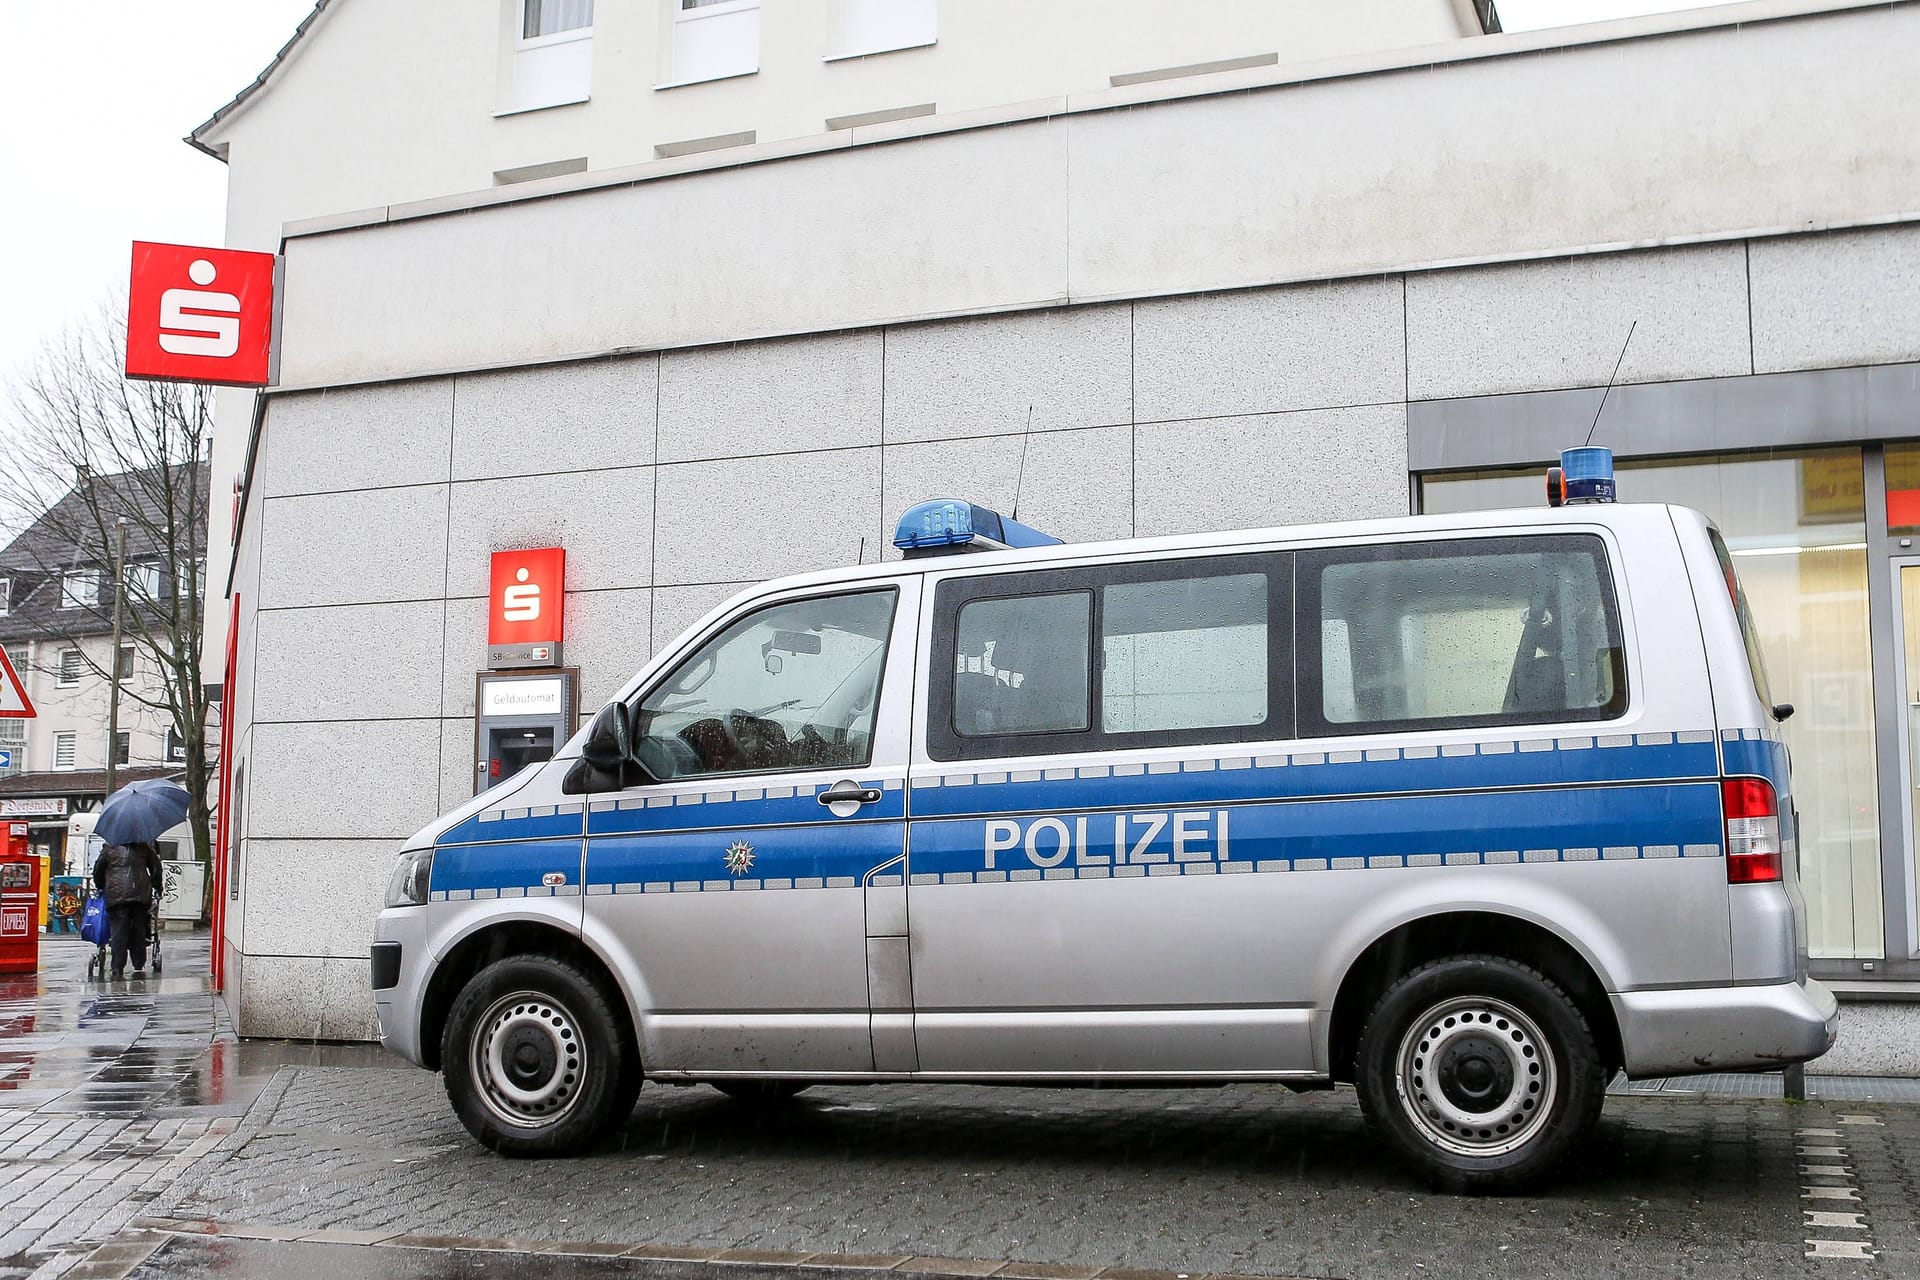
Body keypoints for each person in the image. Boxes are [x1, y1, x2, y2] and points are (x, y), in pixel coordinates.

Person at [91, 841, 163, 979]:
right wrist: (157, 887)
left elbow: (98, 870)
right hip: (140, 895)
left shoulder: (109, 847)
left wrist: (101, 886)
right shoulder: (144, 848)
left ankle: (117, 966)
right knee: (139, 927)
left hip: (116, 895)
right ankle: (138, 963)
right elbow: (156, 868)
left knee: (118, 931)